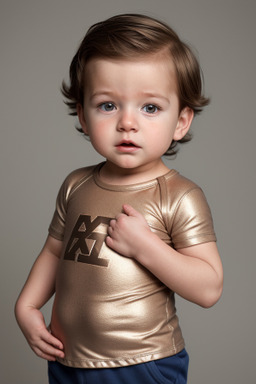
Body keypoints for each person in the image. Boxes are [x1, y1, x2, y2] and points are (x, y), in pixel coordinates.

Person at [15, 13, 223, 384]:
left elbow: (208, 288)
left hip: (142, 363)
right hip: (67, 358)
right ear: (82, 113)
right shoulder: (76, 184)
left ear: (181, 121)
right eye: (108, 105)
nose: (128, 122)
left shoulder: (179, 195)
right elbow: (54, 251)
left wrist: (147, 247)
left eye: (150, 108)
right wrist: (28, 306)